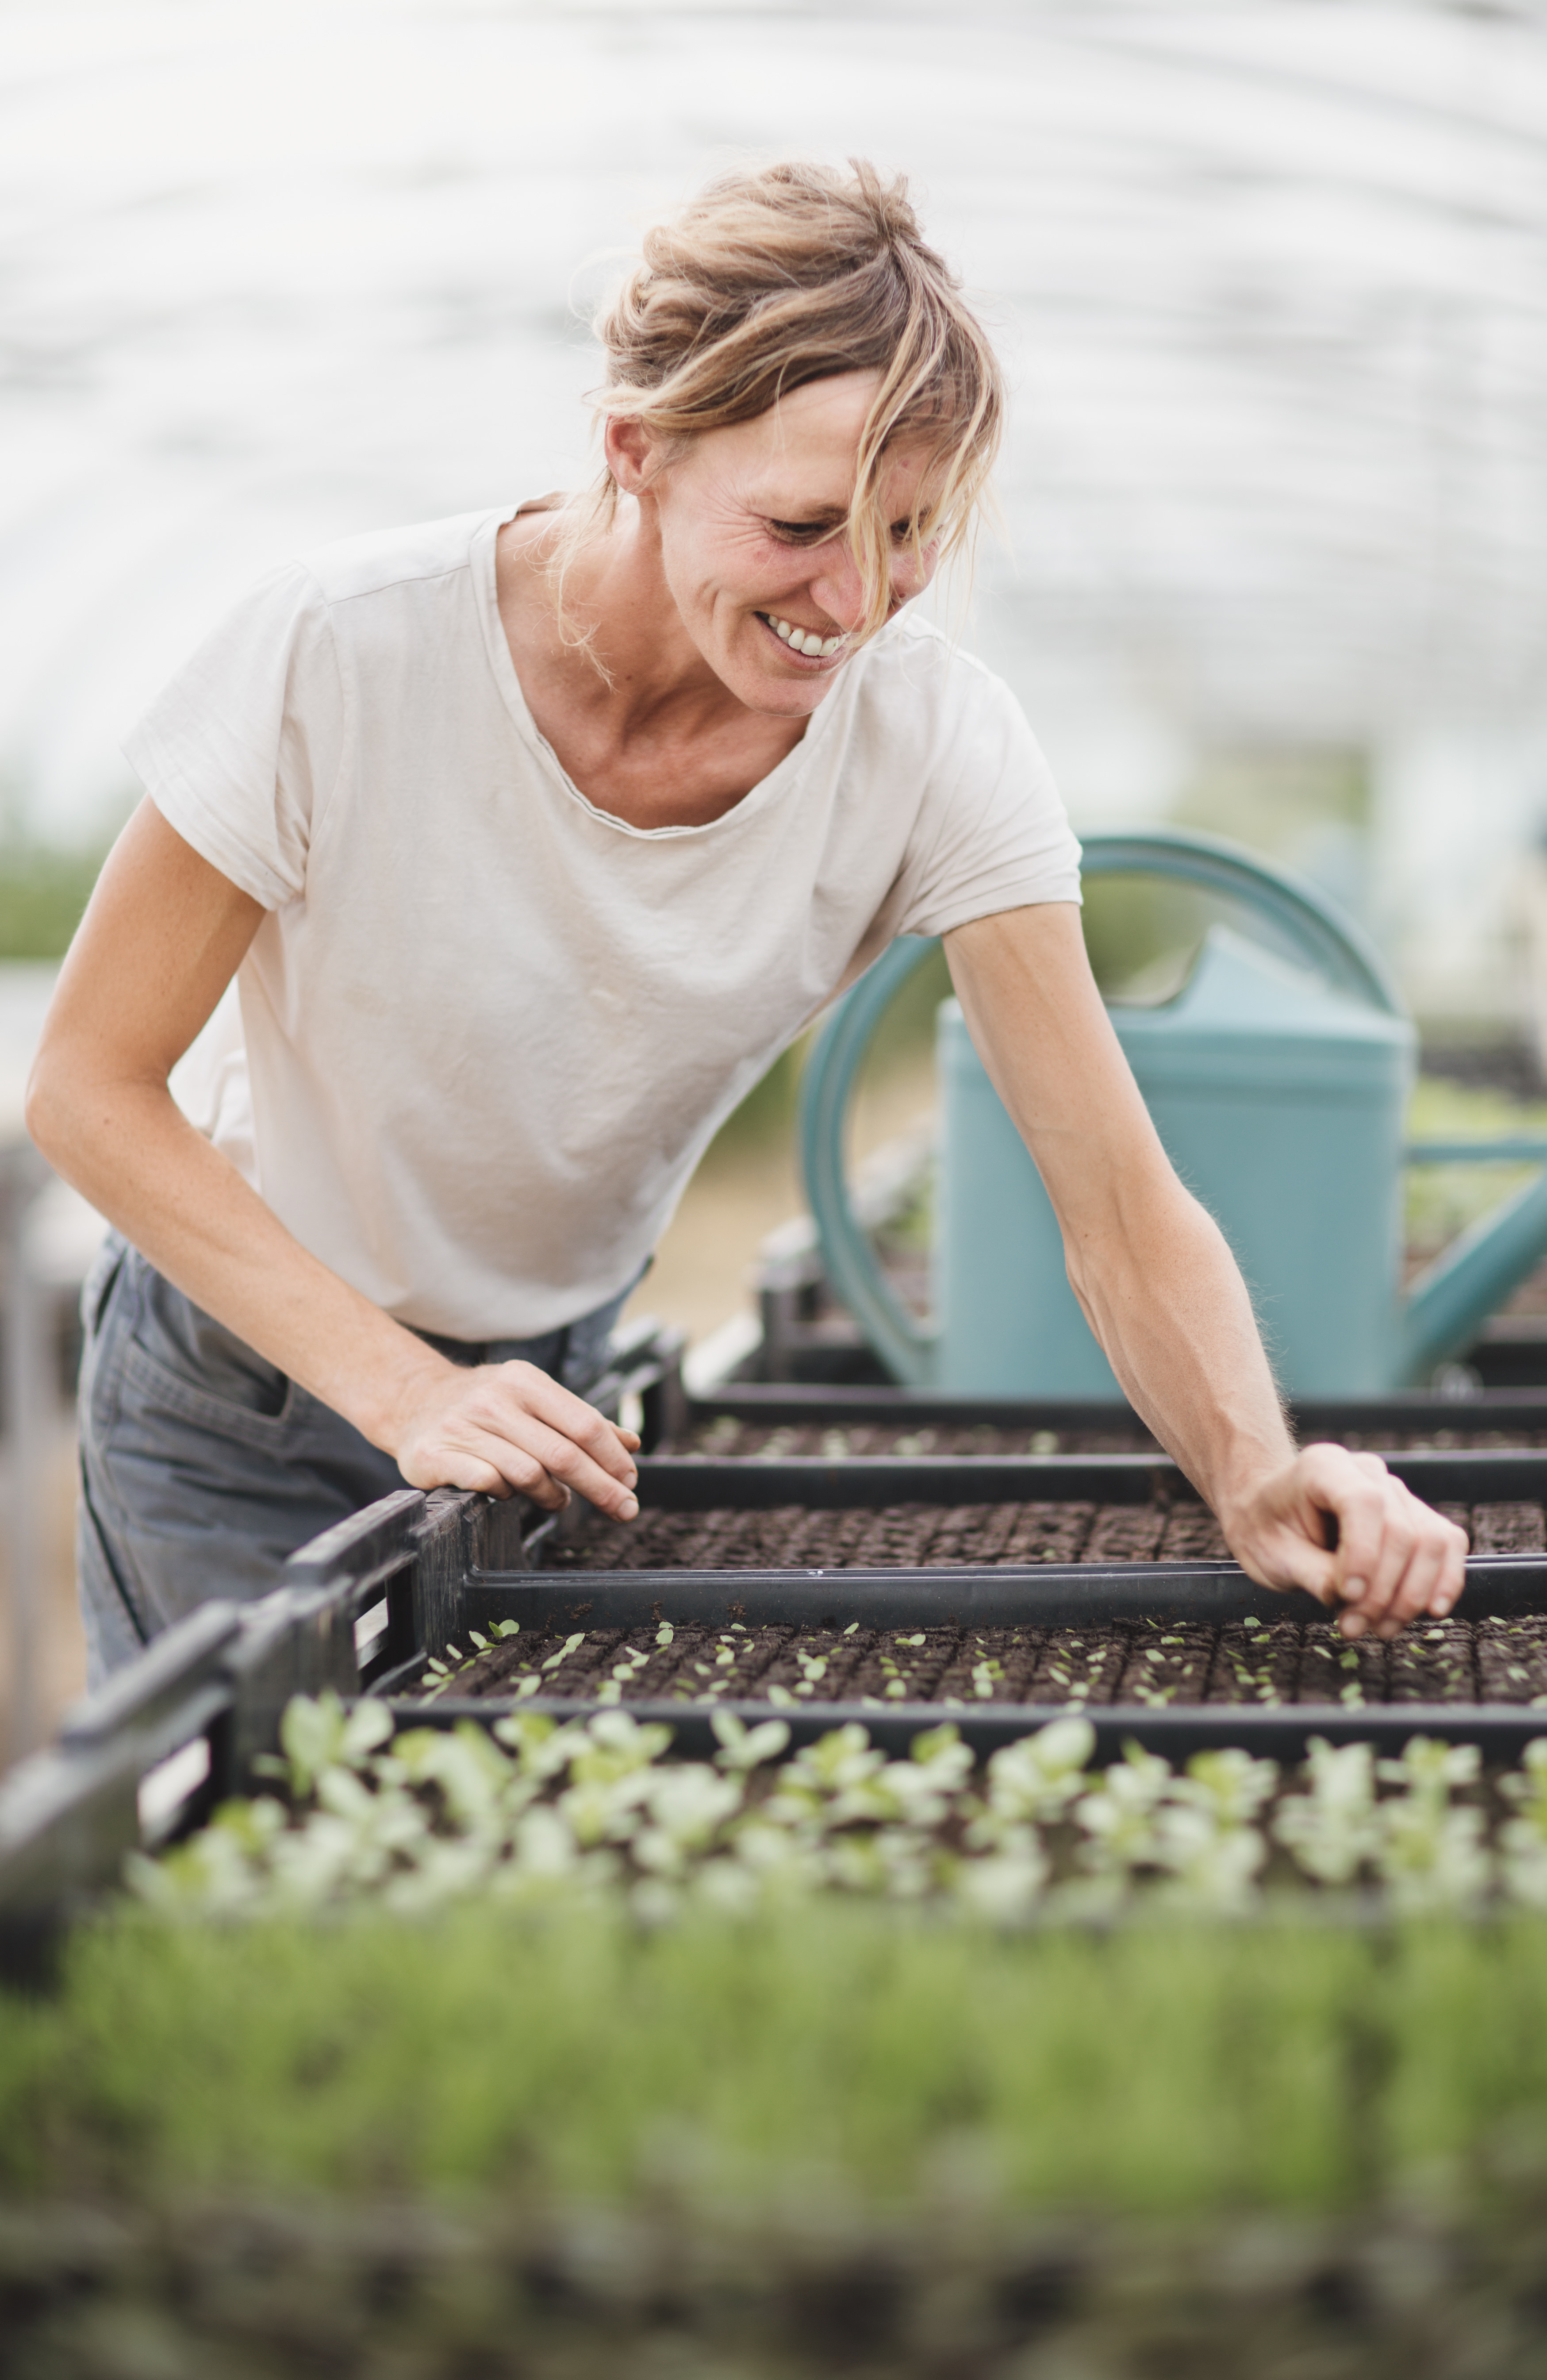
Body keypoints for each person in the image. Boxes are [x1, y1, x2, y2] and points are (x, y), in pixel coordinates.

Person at [27, 158, 1466, 1684]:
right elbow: (87, 1090)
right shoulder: (342, 654)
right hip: (240, 1397)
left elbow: (1114, 1205)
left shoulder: (932, 746)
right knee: (227, 1873)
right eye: (800, 526)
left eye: (911, 532)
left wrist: (1258, 1473)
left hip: (549, 1403)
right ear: (635, 451)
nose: (858, 599)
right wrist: (397, 1389)